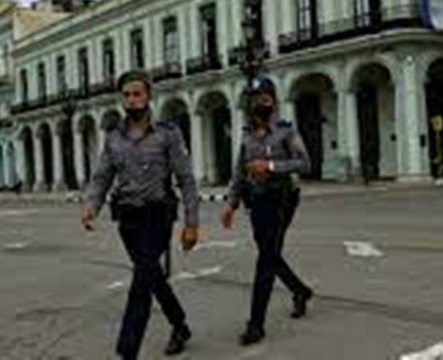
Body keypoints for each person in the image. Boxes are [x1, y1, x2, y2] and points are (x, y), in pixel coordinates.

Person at [80, 70, 200, 360]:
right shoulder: (113, 138)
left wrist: (191, 224)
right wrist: (91, 205)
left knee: (141, 283)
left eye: (137, 94)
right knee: (152, 278)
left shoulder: (167, 134)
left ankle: (127, 351)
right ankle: (180, 324)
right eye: (127, 95)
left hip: (157, 216)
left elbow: (185, 179)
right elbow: (102, 176)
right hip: (128, 220)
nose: (132, 100)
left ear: (148, 96)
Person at [220, 75, 314, 346]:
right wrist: (231, 203)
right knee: (269, 254)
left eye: (265, 98)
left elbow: (304, 163)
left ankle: (256, 324)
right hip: (257, 201)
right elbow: (240, 171)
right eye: (254, 99)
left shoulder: (286, 130)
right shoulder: (247, 133)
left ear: (273, 100)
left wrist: (271, 167)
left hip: (283, 197)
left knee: (266, 259)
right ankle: (300, 290)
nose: (260, 103)